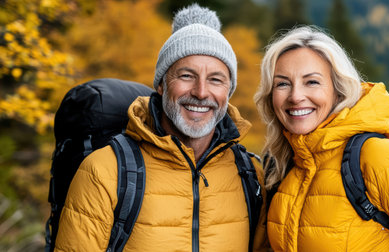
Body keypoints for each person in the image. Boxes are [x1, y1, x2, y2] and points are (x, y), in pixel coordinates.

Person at [55, 4, 268, 252]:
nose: (201, 92)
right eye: (186, 76)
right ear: (161, 85)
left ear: (228, 91)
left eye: (215, 79)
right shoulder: (104, 171)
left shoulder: (251, 175)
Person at [254, 25, 389, 251]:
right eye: (282, 84)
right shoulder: (283, 166)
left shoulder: (375, 156)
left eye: (312, 82)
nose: (296, 96)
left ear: (338, 90)